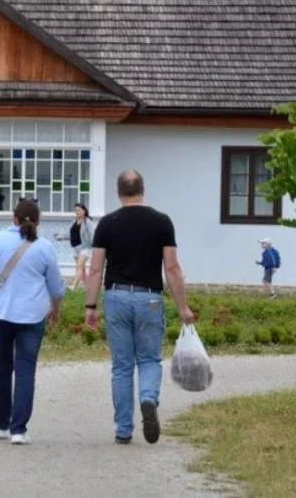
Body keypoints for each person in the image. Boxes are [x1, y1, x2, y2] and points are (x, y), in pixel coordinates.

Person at [85, 170, 195, 445]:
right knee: (149, 359)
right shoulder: (161, 222)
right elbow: (171, 267)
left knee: (121, 367)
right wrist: (183, 308)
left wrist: (90, 306)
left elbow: (96, 268)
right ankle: (148, 398)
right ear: (143, 190)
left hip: (116, 297)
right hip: (150, 298)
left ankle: (124, 429)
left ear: (119, 192)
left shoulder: (107, 224)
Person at [0, 198, 65, 446]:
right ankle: (19, 429)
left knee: (2, 367)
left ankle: (1, 424)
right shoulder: (45, 248)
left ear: (14, 219)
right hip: (32, 317)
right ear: (38, 222)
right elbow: (56, 288)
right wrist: (56, 312)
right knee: (26, 369)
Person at [66, 203, 95, 291]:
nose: (77, 212)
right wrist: (59, 237)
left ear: (84, 211)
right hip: (76, 248)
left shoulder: (87, 222)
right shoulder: (74, 221)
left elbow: (92, 235)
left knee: (79, 266)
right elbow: (70, 234)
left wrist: (94, 246)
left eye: (79, 210)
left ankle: (73, 287)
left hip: (85, 248)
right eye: (76, 210)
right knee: (82, 270)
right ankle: (88, 288)